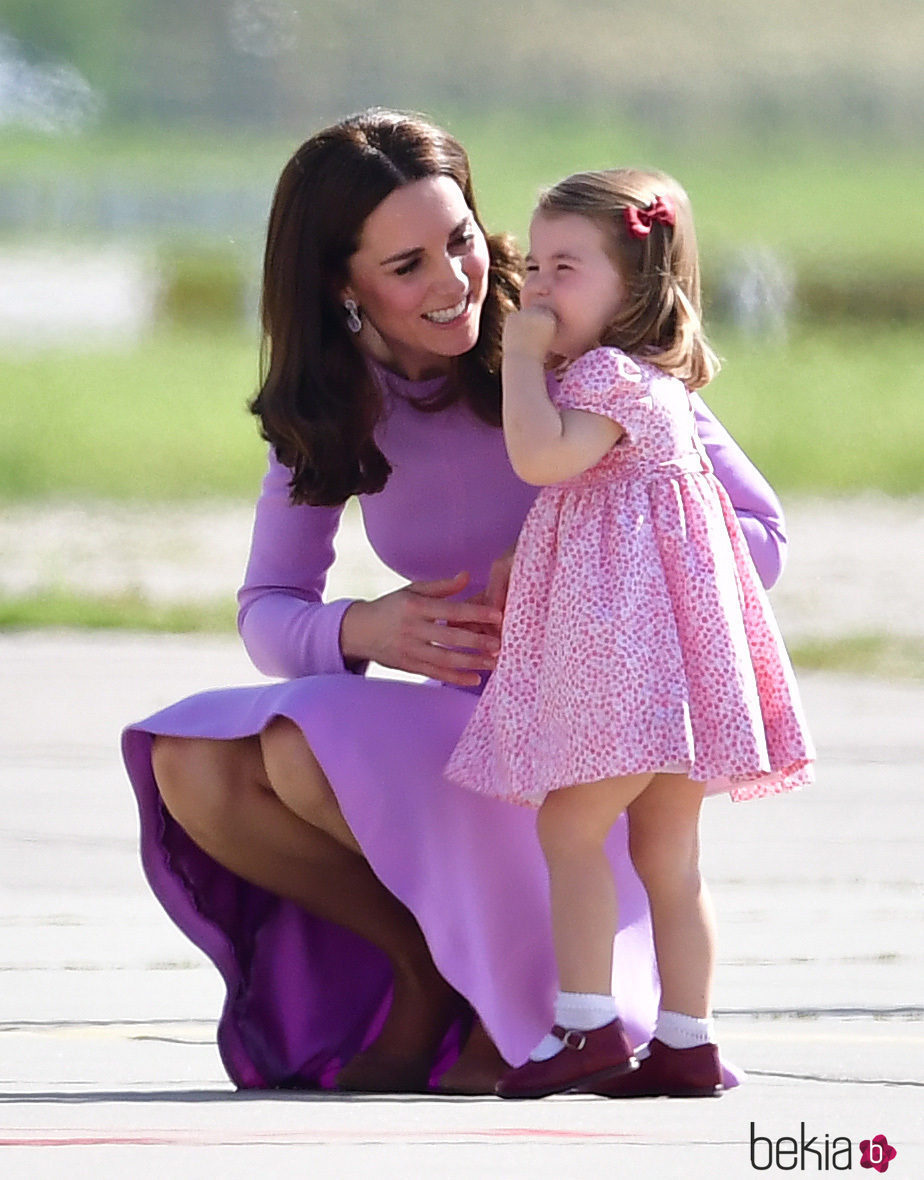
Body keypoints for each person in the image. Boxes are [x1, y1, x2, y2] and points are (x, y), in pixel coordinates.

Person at [121, 111, 789, 1096]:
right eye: (407, 265)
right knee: (193, 762)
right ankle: (424, 970)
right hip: (453, 725)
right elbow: (269, 605)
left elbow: (760, 541)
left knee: (301, 748)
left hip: (578, 743)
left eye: (462, 241)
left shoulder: (573, 337)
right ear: (340, 284)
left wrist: (571, 560)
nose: (455, 282)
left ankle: (528, 995)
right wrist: (365, 627)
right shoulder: (330, 401)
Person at [445, 167, 814, 1100]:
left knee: (571, 830)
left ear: (635, 289)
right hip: (677, 676)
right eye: (535, 265)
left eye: (567, 268)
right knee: (668, 856)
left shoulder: (607, 380)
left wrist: (522, 361)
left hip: (633, 672)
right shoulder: (655, 387)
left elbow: (537, 457)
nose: (537, 290)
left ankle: (586, 1026)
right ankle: (687, 1040)